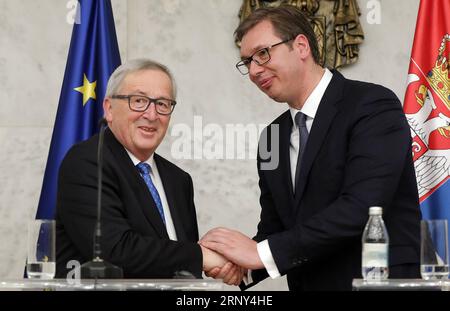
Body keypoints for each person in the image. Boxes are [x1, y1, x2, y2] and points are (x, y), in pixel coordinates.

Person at [200, 5, 422, 290]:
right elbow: (276, 228)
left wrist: (259, 255)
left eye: (263, 54)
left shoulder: (372, 105)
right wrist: (239, 266)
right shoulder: (271, 137)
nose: (254, 70)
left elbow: (362, 208)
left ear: (301, 46)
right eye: (247, 62)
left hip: (375, 284)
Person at [55, 59, 242, 284]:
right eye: (139, 101)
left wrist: (216, 261)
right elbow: (115, 250)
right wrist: (202, 256)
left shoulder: (178, 180)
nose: (152, 115)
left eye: (162, 104)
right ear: (109, 108)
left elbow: (181, 267)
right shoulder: (87, 161)